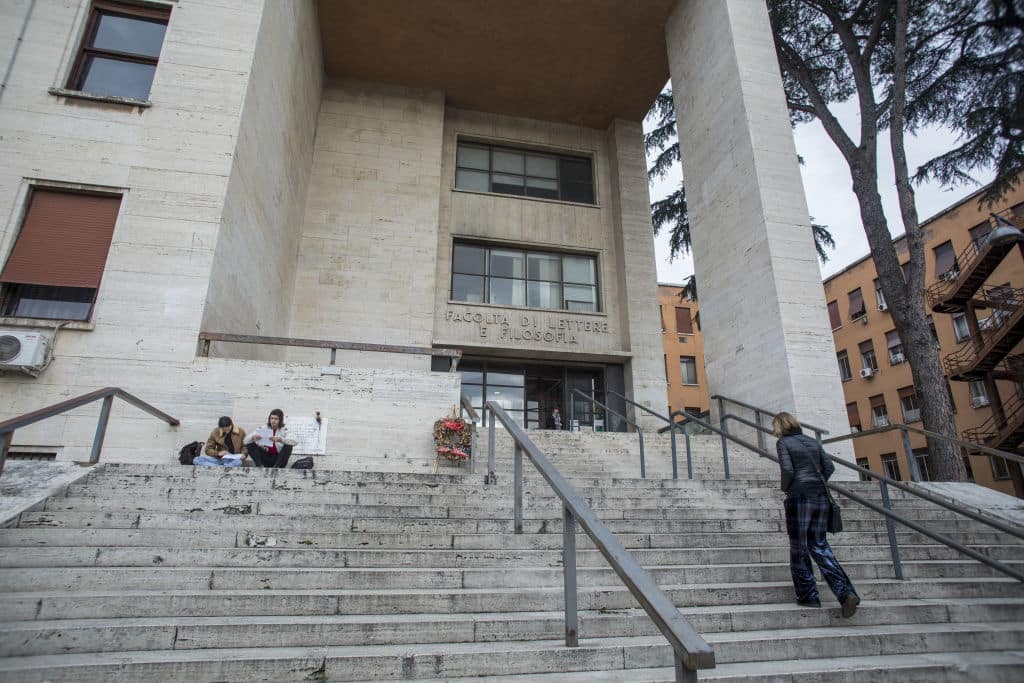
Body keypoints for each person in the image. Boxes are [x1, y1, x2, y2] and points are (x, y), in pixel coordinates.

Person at [773, 411, 860, 617]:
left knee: (799, 547)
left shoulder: (784, 443)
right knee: (820, 545)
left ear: (780, 426)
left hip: (799, 498)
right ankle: (845, 592)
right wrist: (817, 482)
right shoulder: (812, 441)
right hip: (820, 497)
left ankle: (808, 595)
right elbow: (828, 467)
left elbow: (788, 470)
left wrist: (787, 488)